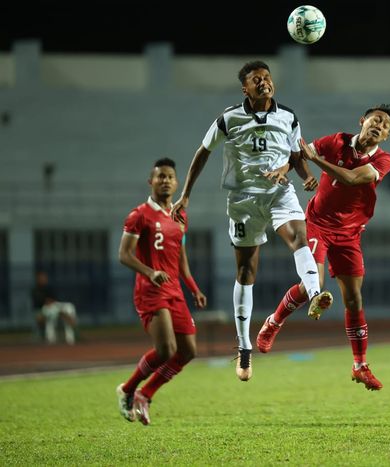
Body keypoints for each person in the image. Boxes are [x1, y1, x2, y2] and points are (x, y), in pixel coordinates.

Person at [172, 60, 331, 382]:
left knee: (299, 237)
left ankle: (315, 293)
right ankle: (244, 346)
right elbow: (202, 152)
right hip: (243, 201)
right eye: (256, 79)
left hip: (279, 193)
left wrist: (307, 176)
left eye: (267, 78)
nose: (264, 83)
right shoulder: (229, 118)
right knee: (246, 270)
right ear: (245, 88)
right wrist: (186, 194)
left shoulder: (288, 116)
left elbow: (296, 154)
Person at [256, 104, 390, 391]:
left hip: (350, 235)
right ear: (362, 120)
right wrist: (286, 168)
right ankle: (273, 322)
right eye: (376, 120)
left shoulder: (384, 160)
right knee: (313, 282)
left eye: (385, 126)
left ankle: (359, 365)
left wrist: (315, 161)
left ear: (386, 137)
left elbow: (352, 178)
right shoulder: (335, 141)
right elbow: (300, 153)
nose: (379, 126)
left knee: (354, 300)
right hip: (317, 225)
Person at [116, 158, 207, 426]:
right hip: (150, 290)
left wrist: (194, 288)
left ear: (176, 183)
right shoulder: (139, 215)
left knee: (188, 351)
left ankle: (146, 393)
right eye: (160, 176)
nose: (165, 180)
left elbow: (181, 260)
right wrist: (149, 272)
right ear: (151, 181)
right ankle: (128, 389)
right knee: (166, 349)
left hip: (174, 290)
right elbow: (124, 254)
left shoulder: (179, 216)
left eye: (170, 177)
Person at [31, 271, 77, 345]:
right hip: (42, 311)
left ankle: (70, 338)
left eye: (44, 278)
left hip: (53, 308)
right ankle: (51, 338)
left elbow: (54, 301)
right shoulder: (35, 290)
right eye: (41, 278)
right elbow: (40, 304)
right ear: (37, 279)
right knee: (51, 314)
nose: (43, 279)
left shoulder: (49, 288)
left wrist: (50, 302)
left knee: (69, 307)